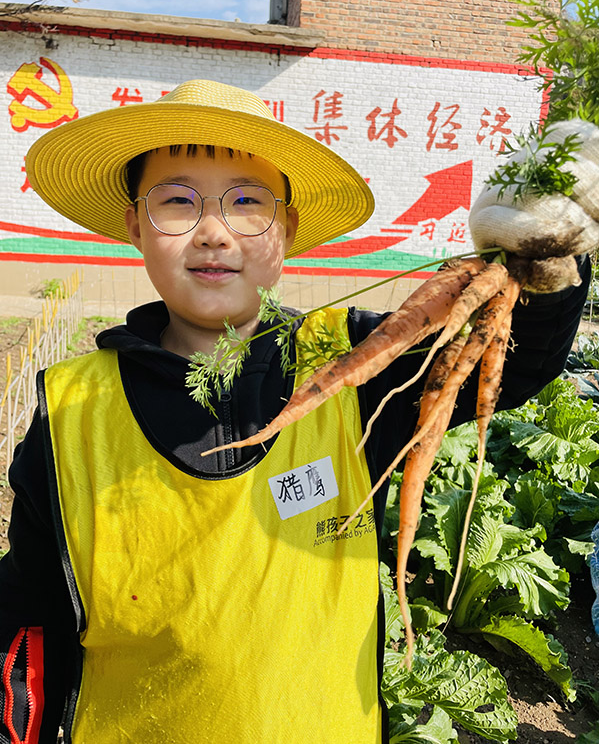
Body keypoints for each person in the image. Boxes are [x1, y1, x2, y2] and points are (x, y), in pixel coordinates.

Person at [0, 79, 594, 744]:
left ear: (285, 231)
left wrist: (545, 262)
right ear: (136, 225)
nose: (213, 233)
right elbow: (30, 615)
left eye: (246, 203)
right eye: (177, 202)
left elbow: (513, 364)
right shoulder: (71, 407)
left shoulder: (356, 363)